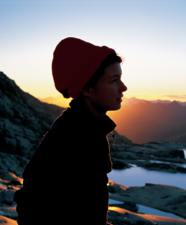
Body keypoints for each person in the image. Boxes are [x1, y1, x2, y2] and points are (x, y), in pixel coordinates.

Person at [13, 37, 127, 225]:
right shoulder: (68, 137)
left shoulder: (91, 129)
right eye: (114, 80)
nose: (123, 88)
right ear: (88, 89)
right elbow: (31, 204)